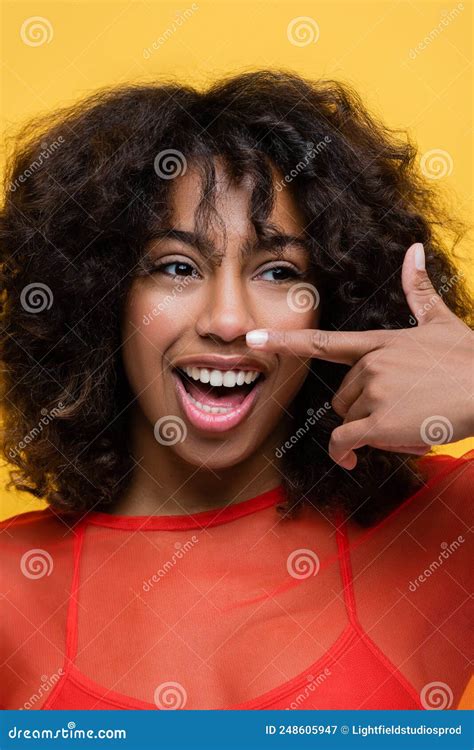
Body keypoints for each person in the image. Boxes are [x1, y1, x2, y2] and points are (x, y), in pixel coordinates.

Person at [0, 70, 472, 710]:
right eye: (176, 267)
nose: (228, 321)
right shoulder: (11, 585)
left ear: (333, 304)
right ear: (102, 296)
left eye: (278, 271)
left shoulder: (441, 535)